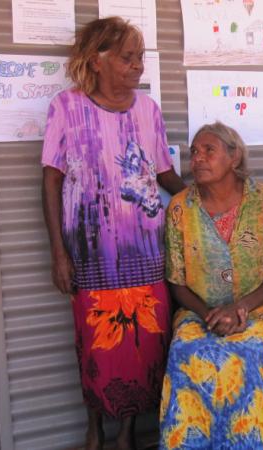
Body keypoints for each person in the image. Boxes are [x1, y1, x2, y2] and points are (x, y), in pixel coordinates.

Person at [41, 17, 185, 450]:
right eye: (127, 57)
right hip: (91, 254)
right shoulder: (66, 106)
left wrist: (213, 197)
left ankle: (125, 434)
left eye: (140, 57)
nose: (137, 66)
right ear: (97, 60)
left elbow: (164, 174)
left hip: (145, 254)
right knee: (96, 348)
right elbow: (51, 180)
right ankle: (94, 429)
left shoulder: (148, 110)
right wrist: (59, 253)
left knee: (144, 348)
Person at [159, 123, 263, 449]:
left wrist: (241, 307)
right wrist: (210, 315)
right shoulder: (179, 208)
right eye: (194, 153)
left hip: (259, 309)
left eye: (209, 151)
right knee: (187, 353)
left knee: (243, 355)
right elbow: (176, 282)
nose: (198, 159)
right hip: (199, 311)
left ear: (234, 157)